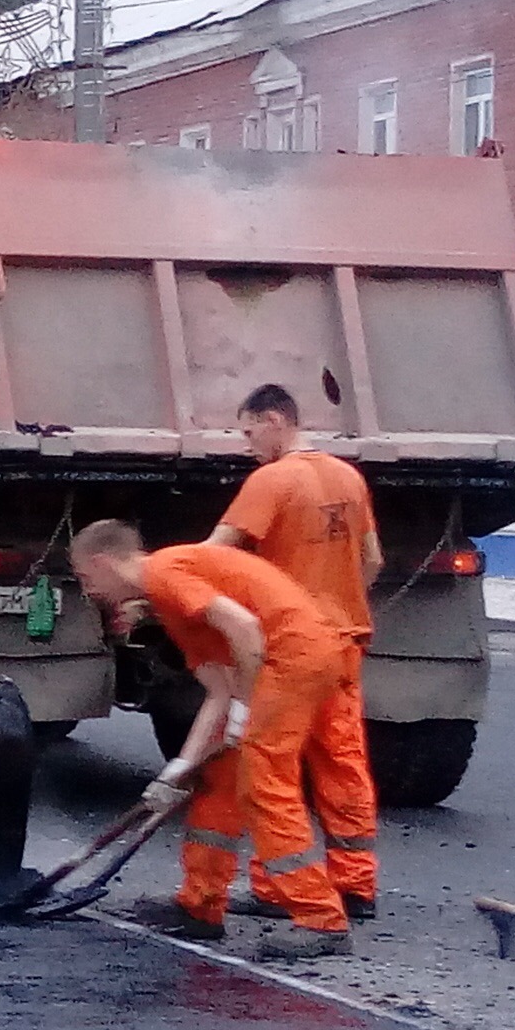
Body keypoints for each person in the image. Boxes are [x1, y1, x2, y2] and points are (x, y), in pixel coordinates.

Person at [71, 520, 357, 961]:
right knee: (216, 777)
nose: (88, 591)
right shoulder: (171, 606)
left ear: (103, 563)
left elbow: (245, 630)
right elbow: (217, 691)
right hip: (280, 657)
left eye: (87, 579)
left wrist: (245, 707)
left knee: (264, 782)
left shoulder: (165, 574)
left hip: (292, 656)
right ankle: (200, 905)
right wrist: (178, 771)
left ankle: (320, 918)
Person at [205, 383, 384, 922]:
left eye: (248, 429)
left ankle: (281, 887)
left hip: (290, 648)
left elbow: (214, 554)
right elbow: (372, 560)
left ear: (275, 419)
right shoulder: (348, 478)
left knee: (272, 768)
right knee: (343, 763)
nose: (245, 443)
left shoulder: (272, 481)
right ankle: (355, 886)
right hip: (344, 642)